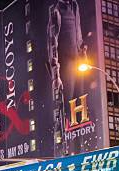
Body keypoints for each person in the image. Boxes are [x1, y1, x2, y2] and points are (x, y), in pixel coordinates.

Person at [47, 0, 87, 154]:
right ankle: (65, 150)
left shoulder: (75, 5)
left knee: (80, 107)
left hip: (78, 63)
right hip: (65, 66)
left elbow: (79, 33)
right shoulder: (56, 10)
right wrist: (56, 73)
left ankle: (80, 150)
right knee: (66, 108)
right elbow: (52, 43)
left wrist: (82, 51)